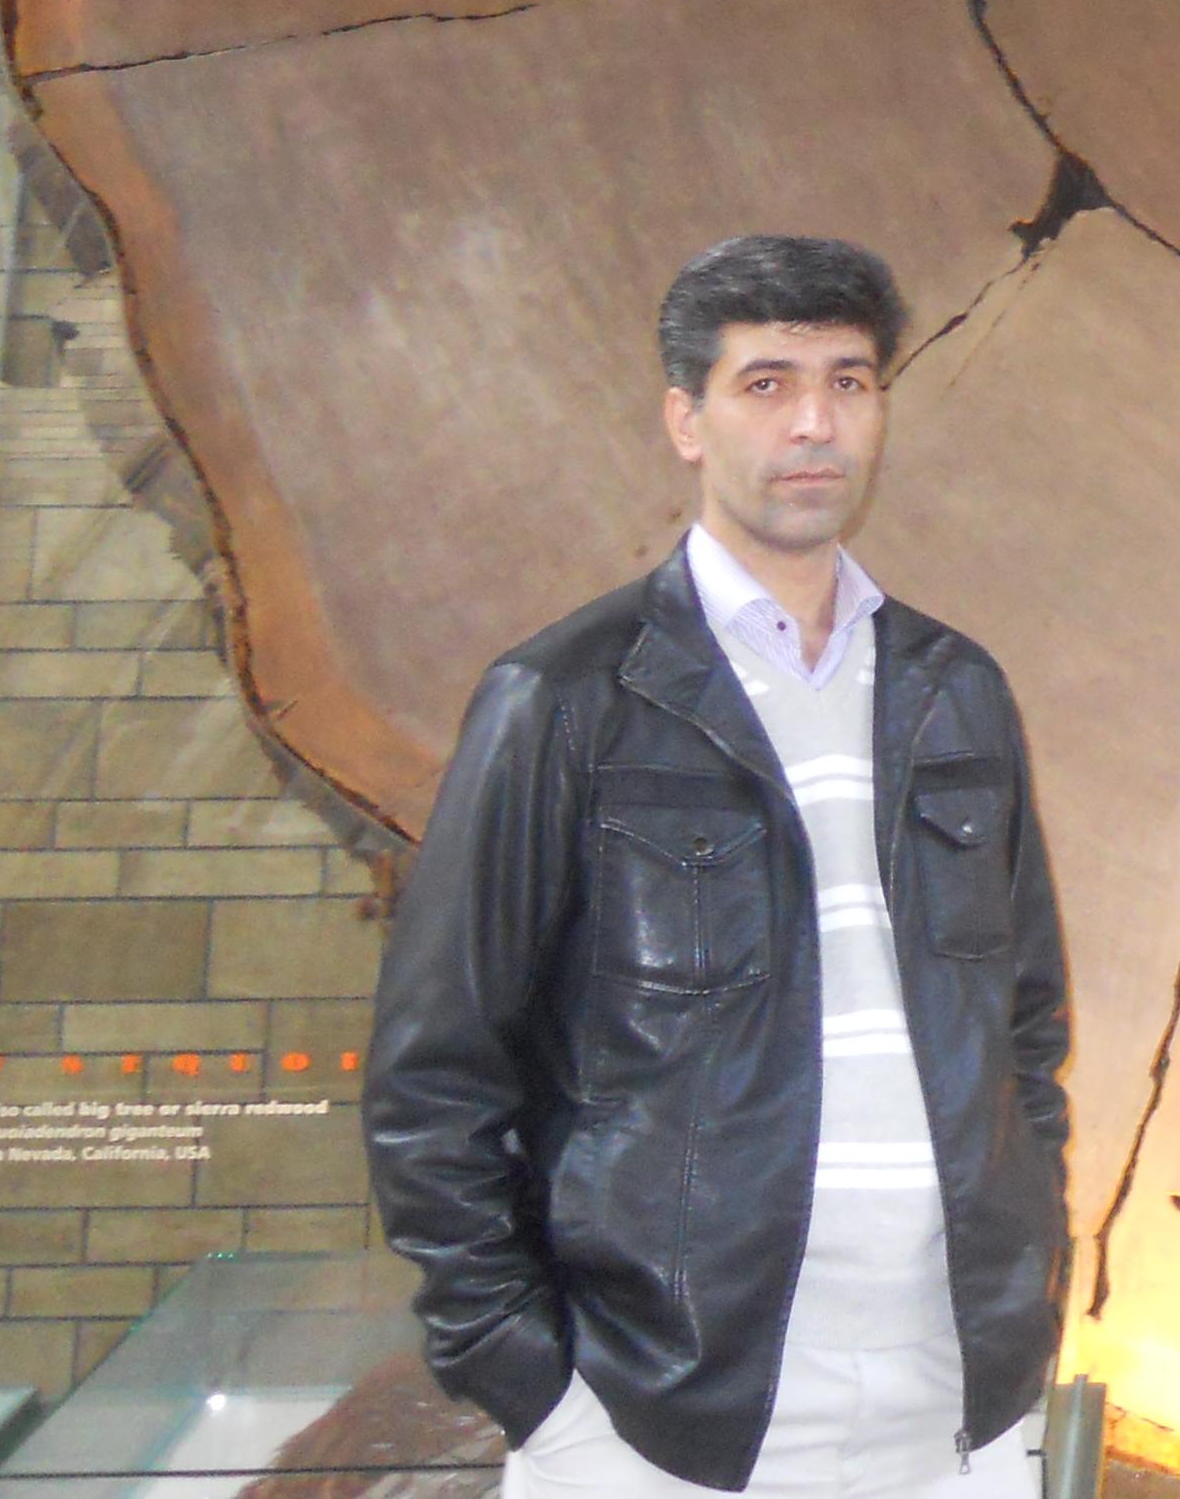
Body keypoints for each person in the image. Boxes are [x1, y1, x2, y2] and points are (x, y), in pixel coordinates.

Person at [366, 233, 1071, 1499]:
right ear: (685, 421)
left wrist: (1033, 1278)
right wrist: (537, 1396)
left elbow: (1025, 1029)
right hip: (655, 1424)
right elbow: (436, 1076)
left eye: (849, 382)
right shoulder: (564, 698)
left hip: (957, 1411)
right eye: (766, 384)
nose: (814, 423)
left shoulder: (954, 688)